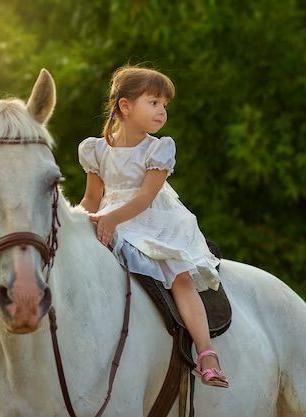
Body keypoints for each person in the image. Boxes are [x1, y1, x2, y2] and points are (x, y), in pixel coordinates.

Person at [77, 64, 229, 388]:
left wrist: (111, 219)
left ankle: (206, 353)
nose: (162, 111)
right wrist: (76, 222)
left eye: (164, 105)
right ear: (125, 106)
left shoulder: (158, 148)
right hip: (110, 217)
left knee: (179, 276)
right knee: (60, 257)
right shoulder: (96, 149)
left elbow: (146, 197)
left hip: (150, 221)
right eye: (154, 102)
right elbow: (92, 199)